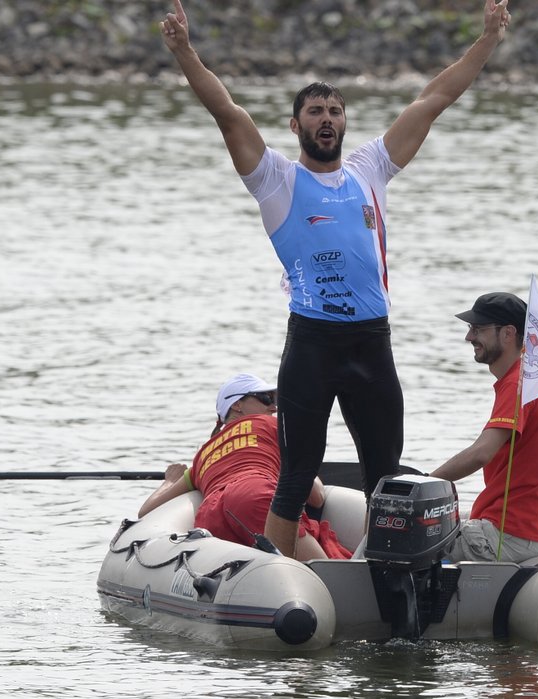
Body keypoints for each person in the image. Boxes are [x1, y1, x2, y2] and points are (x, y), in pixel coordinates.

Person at [158, 0, 513, 558]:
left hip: (372, 343)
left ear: (345, 122)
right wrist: (183, 51)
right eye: (315, 112)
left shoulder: (371, 169)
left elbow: (434, 99)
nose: (327, 119)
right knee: (297, 471)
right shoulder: (275, 180)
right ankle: (278, 573)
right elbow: (226, 110)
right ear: (296, 125)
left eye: (335, 111)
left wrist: (488, 40)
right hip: (313, 345)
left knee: (384, 472)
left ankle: (385, 577)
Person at [137, 373, 352, 562]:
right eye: (266, 398)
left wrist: (170, 480)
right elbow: (316, 497)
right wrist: (307, 469)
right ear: (237, 405)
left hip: (212, 516)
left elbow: (146, 511)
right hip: (255, 495)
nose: (274, 407)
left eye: (275, 400)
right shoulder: (273, 426)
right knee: (327, 577)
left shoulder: (202, 455)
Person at [429, 292, 538, 563]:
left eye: (478, 329)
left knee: (398, 530)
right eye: (470, 328)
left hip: (508, 533)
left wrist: (426, 483)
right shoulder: (530, 378)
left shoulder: (518, 383)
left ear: (508, 333)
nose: (469, 337)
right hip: (531, 529)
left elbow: (481, 452)